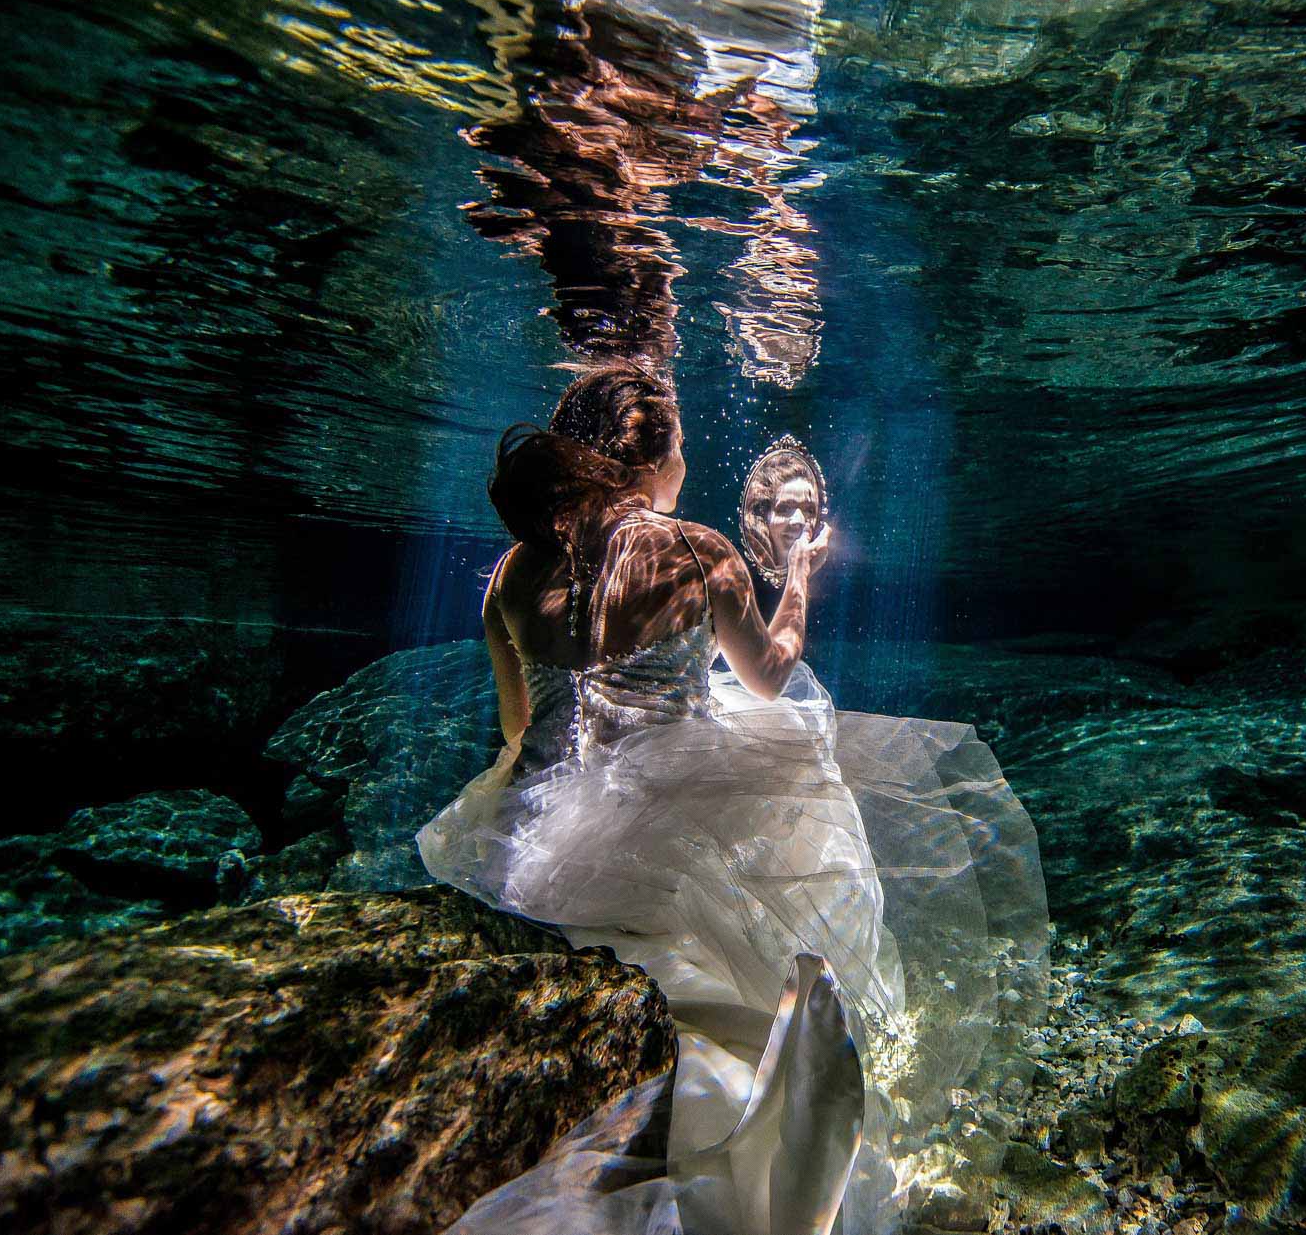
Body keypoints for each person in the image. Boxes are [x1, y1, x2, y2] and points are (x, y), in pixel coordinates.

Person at [416, 367, 1048, 1234]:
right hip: (670, 814)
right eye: (678, 442)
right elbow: (771, 668)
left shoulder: (515, 572)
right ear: (648, 458)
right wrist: (796, 575)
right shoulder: (695, 550)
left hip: (552, 827)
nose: (687, 455)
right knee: (793, 748)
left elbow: (519, 730)